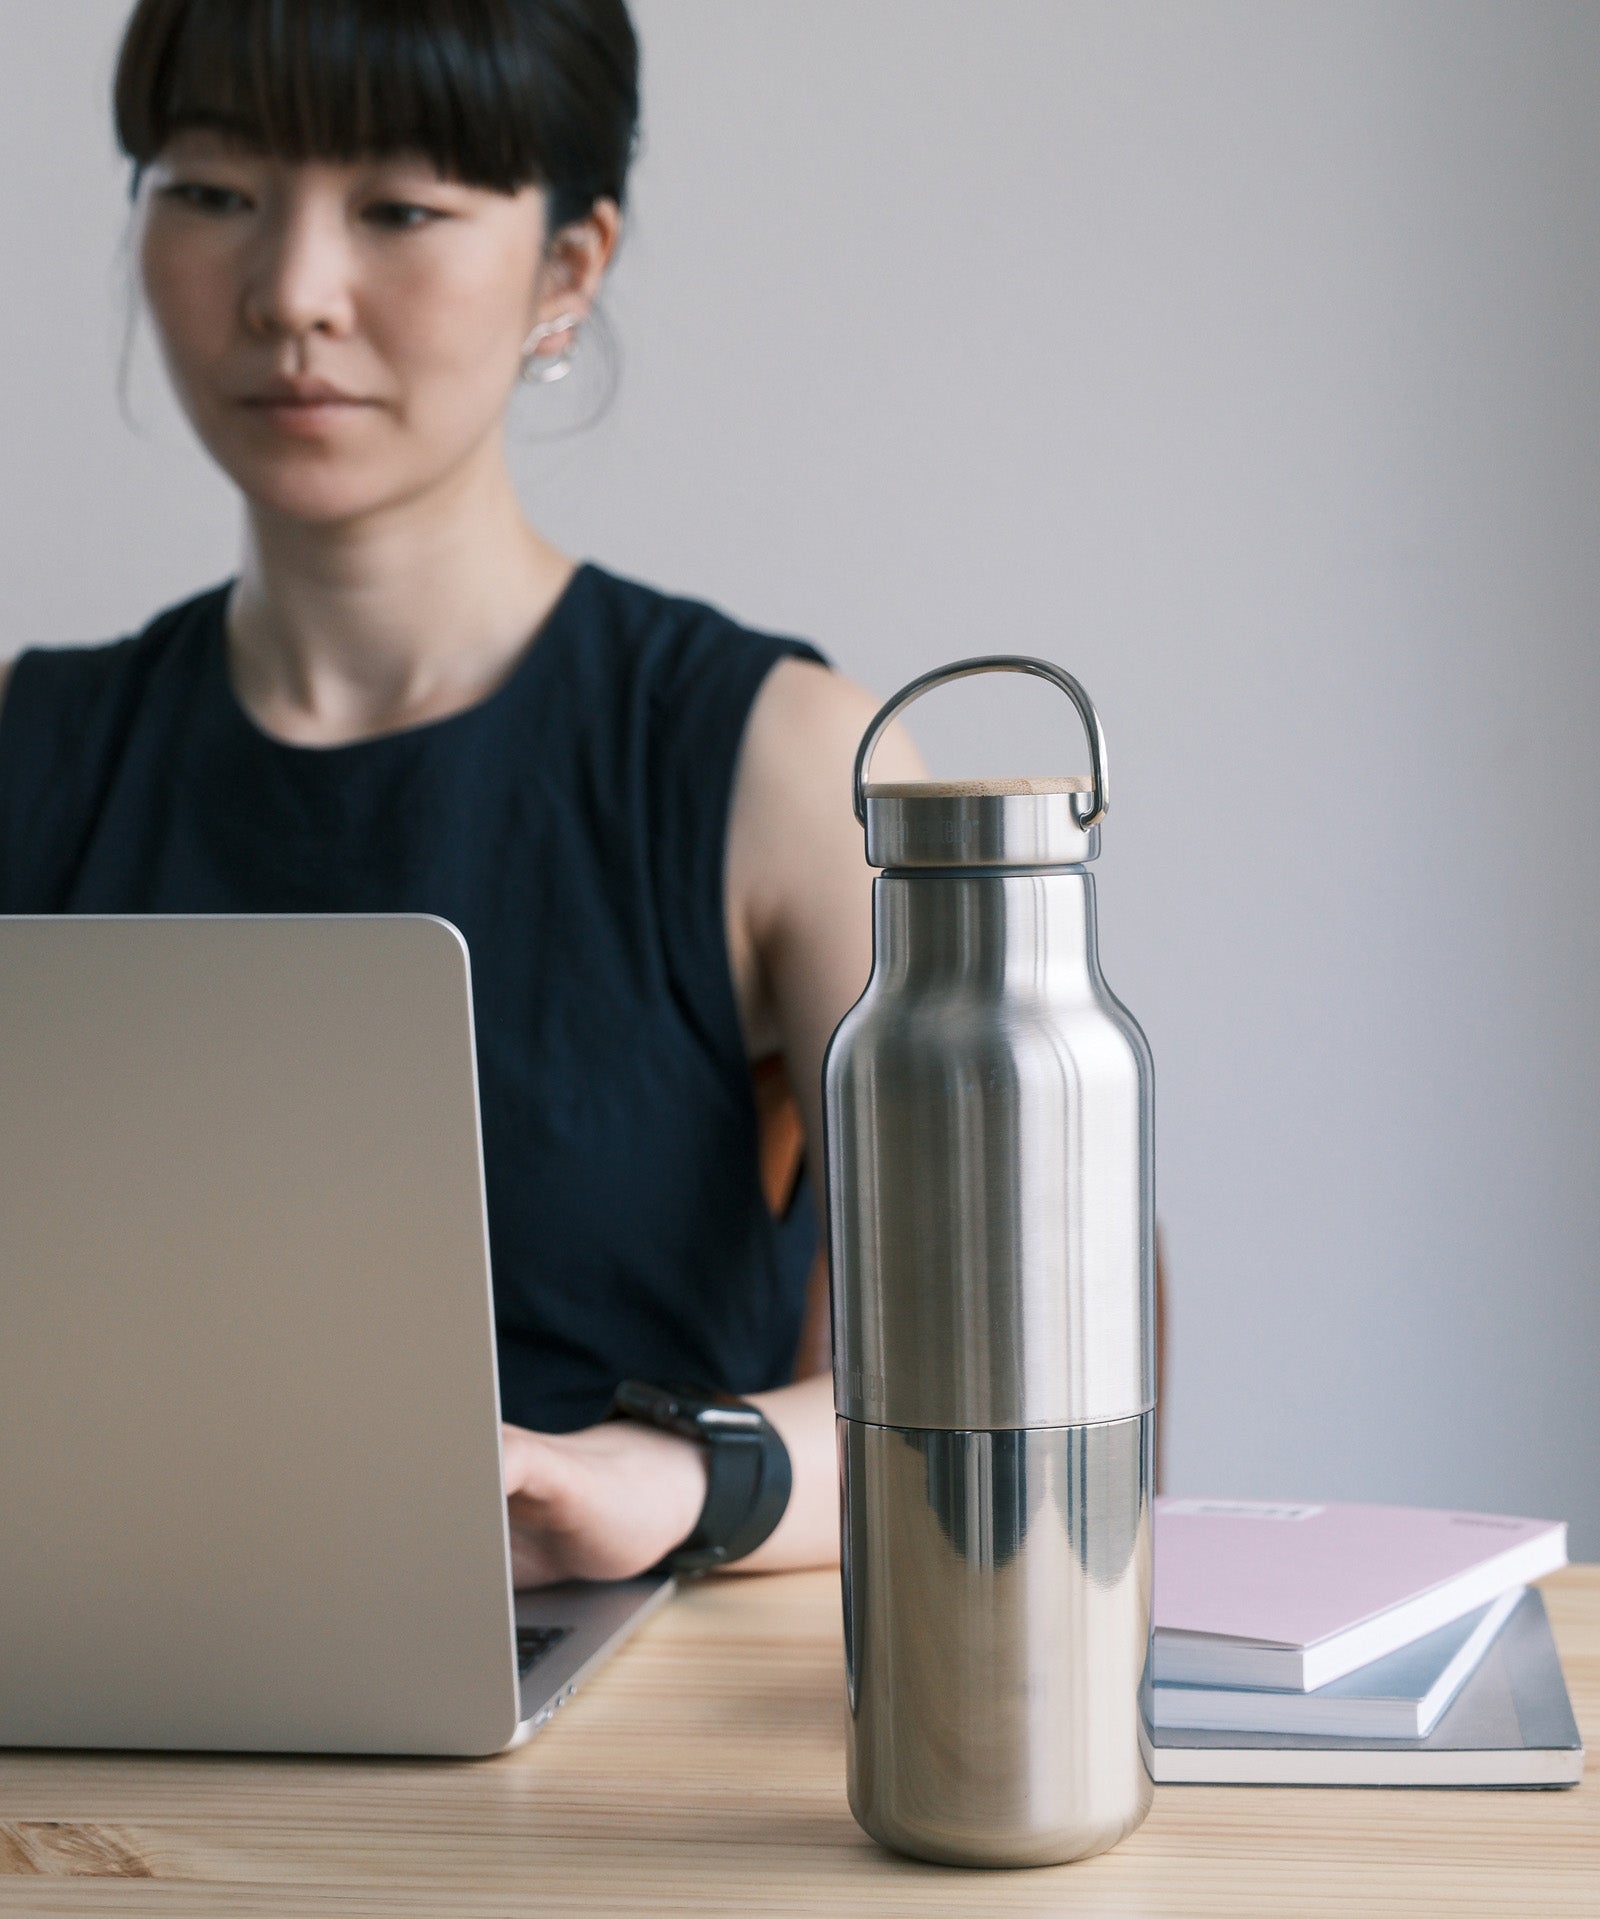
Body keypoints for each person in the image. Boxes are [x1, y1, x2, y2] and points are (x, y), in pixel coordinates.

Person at [0, 0, 921, 1586]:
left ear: (568, 268)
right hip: (92, 1716)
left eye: (400, 210)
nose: (290, 294)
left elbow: (999, 1399)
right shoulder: (34, 750)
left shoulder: (782, 765)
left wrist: (674, 1478)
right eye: (212, 192)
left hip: (612, 1701)